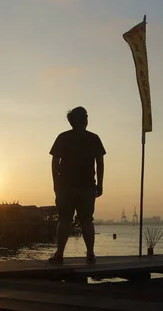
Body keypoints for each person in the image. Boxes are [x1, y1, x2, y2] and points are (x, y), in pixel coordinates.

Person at [48, 106, 105, 264]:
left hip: (67, 186)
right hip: (84, 186)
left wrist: (56, 183)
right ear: (83, 120)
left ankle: (60, 253)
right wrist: (100, 184)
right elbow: (100, 163)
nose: (87, 119)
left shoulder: (63, 137)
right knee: (86, 220)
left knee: (65, 219)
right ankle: (90, 254)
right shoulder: (93, 138)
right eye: (85, 117)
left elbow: (54, 163)